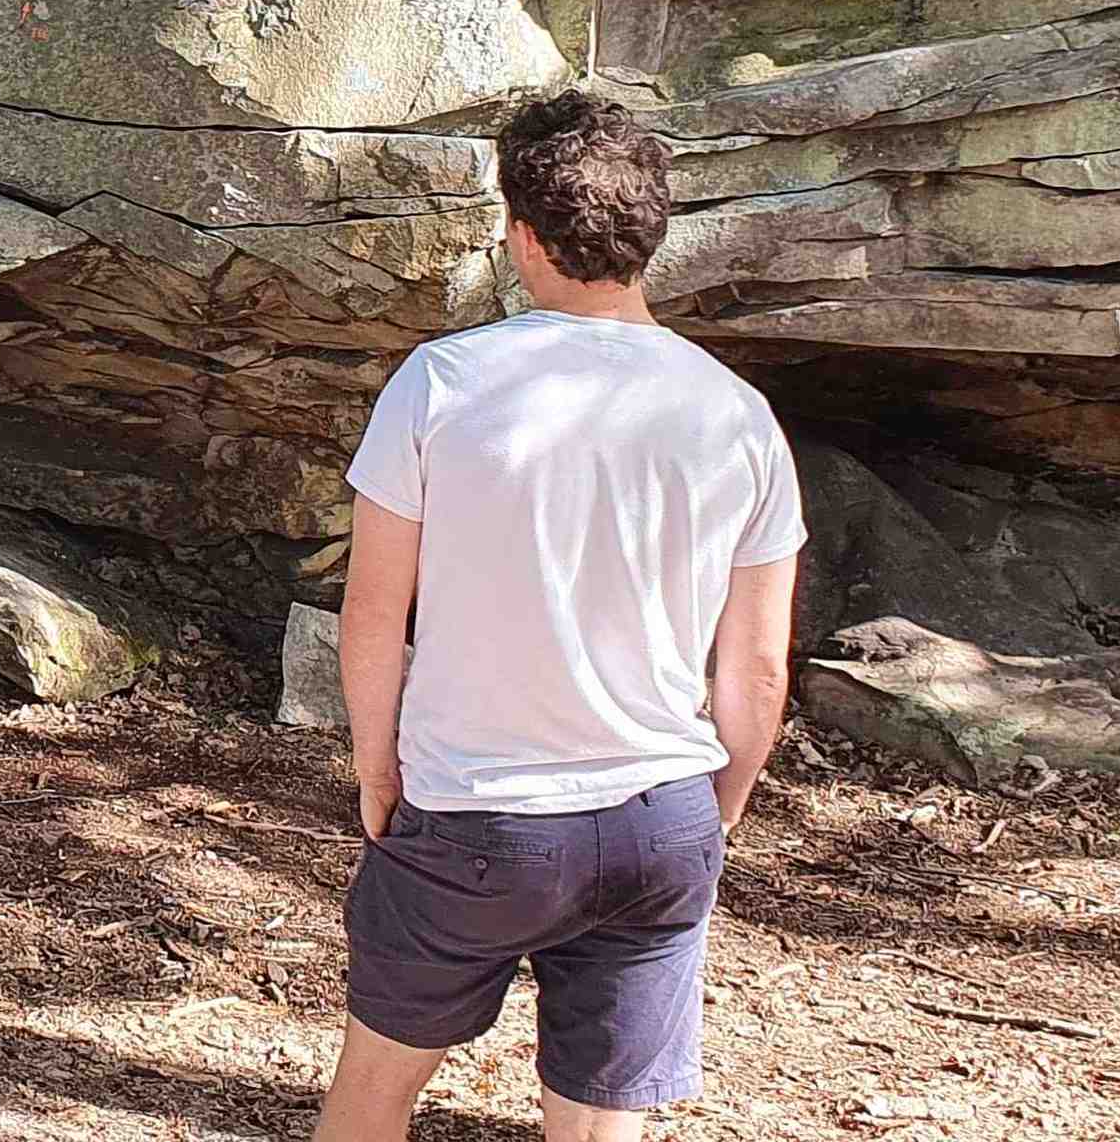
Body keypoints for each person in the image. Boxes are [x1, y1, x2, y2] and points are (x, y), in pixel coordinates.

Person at [313, 91, 804, 1142]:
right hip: (659, 818)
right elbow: (757, 670)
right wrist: (711, 812)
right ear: (652, 236)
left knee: (371, 1100)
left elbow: (372, 613)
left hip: (476, 815)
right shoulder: (738, 414)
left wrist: (376, 770)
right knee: (596, 1129)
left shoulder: (442, 382)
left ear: (525, 238)